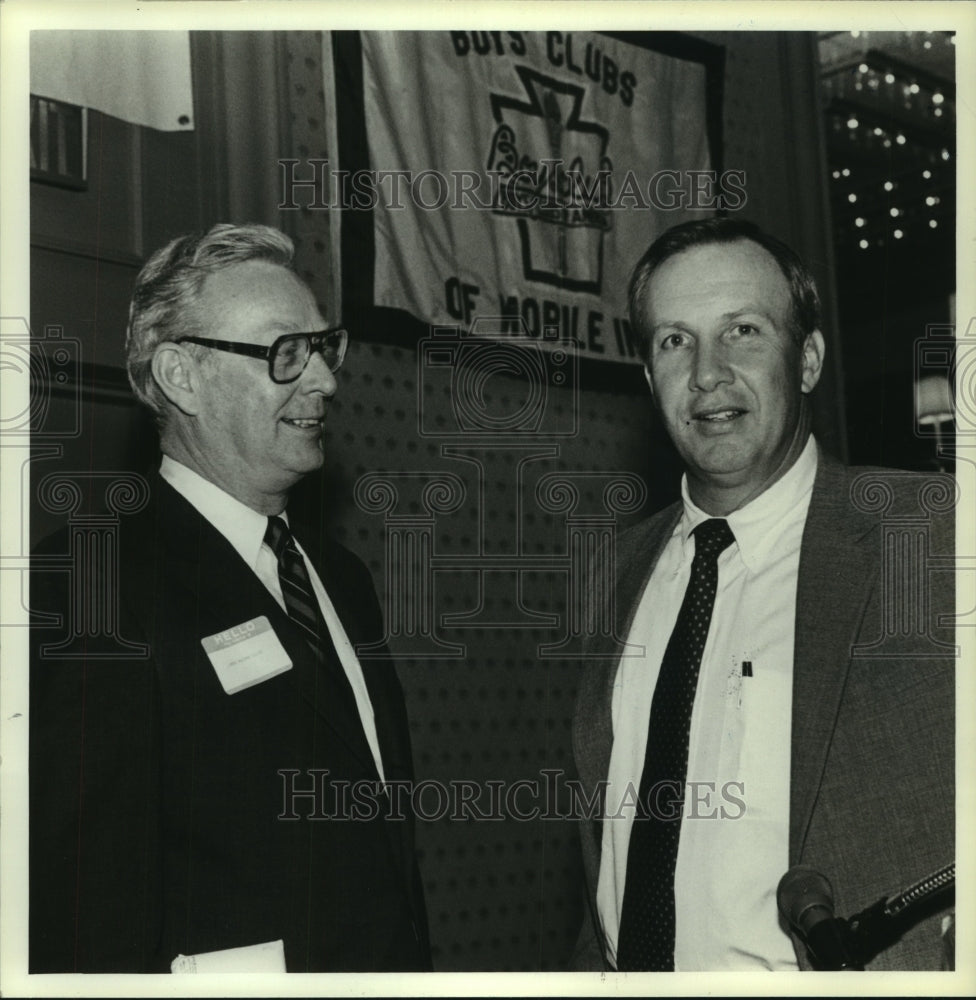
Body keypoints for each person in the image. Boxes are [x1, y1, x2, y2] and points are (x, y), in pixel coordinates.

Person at [29, 223, 431, 973]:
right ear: (182, 375)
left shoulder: (341, 579)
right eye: (286, 353)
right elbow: (78, 922)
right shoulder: (88, 590)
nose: (325, 381)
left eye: (324, 348)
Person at [571, 217, 954, 971]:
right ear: (650, 378)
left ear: (807, 358)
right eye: (675, 341)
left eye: (742, 330)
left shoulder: (931, 538)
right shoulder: (612, 571)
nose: (708, 372)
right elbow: (608, 856)